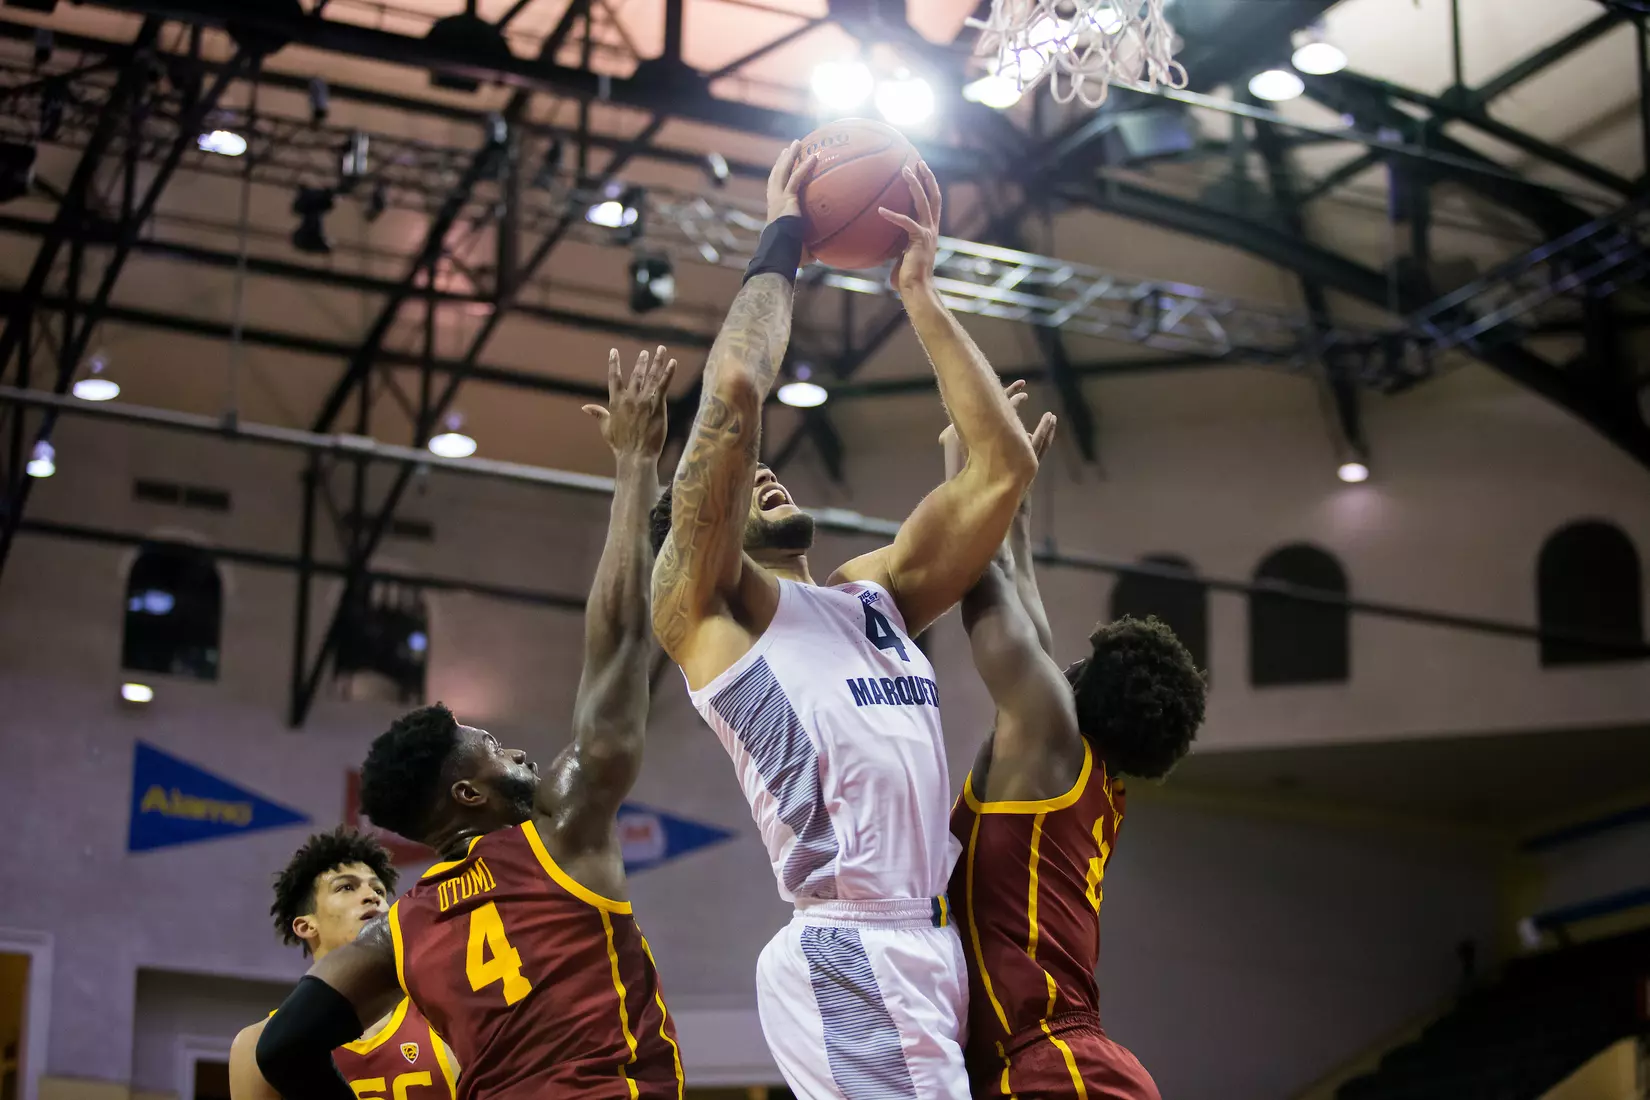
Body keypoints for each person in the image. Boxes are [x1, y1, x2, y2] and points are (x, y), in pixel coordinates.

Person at [648, 140, 1038, 1099]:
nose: (765, 473)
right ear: (703, 529)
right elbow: (736, 400)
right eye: (741, 486)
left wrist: (919, 293)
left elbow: (1004, 470)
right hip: (847, 942)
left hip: (933, 938)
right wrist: (783, 236)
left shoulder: (871, 596)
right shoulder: (707, 617)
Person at [256, 347, 683, 1100]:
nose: (517, 753)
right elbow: (617, 643)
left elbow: (285, 1048)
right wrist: (634, 462)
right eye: (492, 751)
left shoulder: (401, 925)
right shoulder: (560, 831)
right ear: (467, 796)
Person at [941, 407, 1207, 1100]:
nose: (1063, 664)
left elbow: (991, 605)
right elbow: (1028, 619)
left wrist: (970, 475)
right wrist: (1016, 510)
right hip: (1054, 1062)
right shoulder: (1074, 773)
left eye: (1081, 661)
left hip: (1056, 1067)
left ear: (1087, 688)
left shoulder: (1053, 746)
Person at [229, 828, 458, 1100]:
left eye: (378, 890)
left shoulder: (443, 1016)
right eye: (346, 887)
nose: (372, 896)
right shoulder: (255, 1044)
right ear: (306, 925)